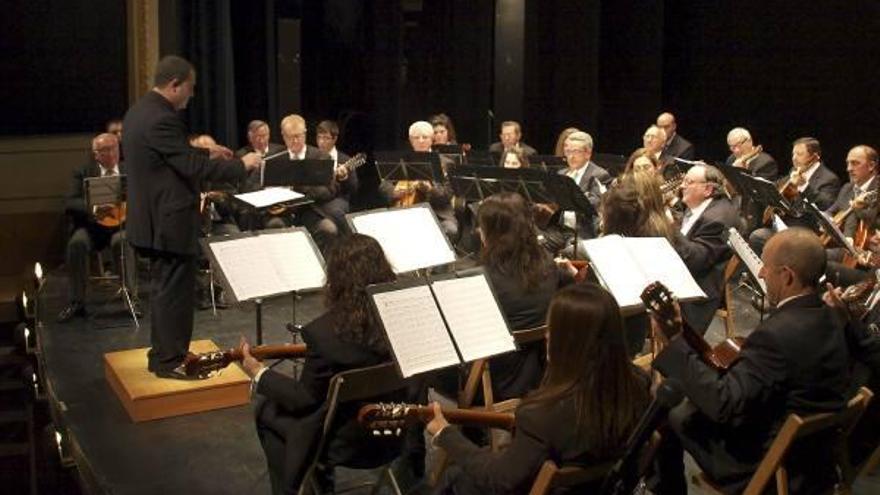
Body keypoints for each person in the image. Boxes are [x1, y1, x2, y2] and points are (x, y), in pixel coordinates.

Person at [651, 228, 851, 494]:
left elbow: (722, 404)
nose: (760, 273)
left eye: (766, 267)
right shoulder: (832, 317)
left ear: (787, 276)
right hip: (815, 459)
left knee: (673, 412)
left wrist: (673, 344)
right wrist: (682, 338)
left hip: (768, 465)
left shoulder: (776, 334)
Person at [427, 283, 650, 494]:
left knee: (454, 476)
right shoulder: (640, 385)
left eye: (552, 329)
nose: (546, 335)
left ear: (567, 342)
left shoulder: (542, 417)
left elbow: (499, 480)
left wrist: (445, 434)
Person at [123, 55, 262, 379]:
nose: (192, 94)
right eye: (190, 87)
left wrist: (207, 151)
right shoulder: (163, 118)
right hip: (168, 221)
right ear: (175, 85)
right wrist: (242, 165)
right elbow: (190, 167)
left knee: (166, 291)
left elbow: (173, 155)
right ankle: (170, 361)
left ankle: (164, 353)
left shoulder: (139, 111)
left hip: (152, 219)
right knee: (175, 294)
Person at [239, 234, 401, 494]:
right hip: (396, 436)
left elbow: (303, 399)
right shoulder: (406, 321)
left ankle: (297, 486)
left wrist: (259, 373)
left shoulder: (324, 334)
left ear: (336, 279)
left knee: (267, 409)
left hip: (342, 444)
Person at [477, 192, 571, 400]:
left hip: (494, 383)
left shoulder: (482, 279)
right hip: (543, 373)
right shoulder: (548, 263)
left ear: (489, 232)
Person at [57, 132, 140, 322]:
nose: (110, 153)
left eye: (113, 148)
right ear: (95, 154)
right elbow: (69, 203)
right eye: (104, 150)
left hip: (122, 226)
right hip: (92, 228)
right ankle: (77, 301)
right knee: (76, 244)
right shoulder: (82, 172)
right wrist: (93, 209)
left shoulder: (131, 170)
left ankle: (131, 300)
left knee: (123, 241)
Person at [672, 164, 740, 333]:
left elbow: (695, 260)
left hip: (697, 290)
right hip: (686, 272)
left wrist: (669, 226)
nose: (682, 186)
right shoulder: (707, 206)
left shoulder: (717, 219)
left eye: (689, 182)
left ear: (708, 189)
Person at [749, 137, 841, 255]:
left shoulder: (829, 179)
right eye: (793, 154)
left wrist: (804, 186)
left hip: (806, 231)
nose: (794, 158)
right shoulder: (795, 170)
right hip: (784, 225)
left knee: (757, 236)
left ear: (815, 156)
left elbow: (824, 206)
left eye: (799, 154)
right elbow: (777, 187)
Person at [542, 131, 611, 255]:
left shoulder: (599, 175)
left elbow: (595, 204)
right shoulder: (561, 174)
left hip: (581, 231)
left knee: (569, 252)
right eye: (568, 152)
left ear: (588, 154)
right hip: (559, 228)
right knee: (537, 247)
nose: (571, 156)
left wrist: (573, 198)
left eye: (576, 152)